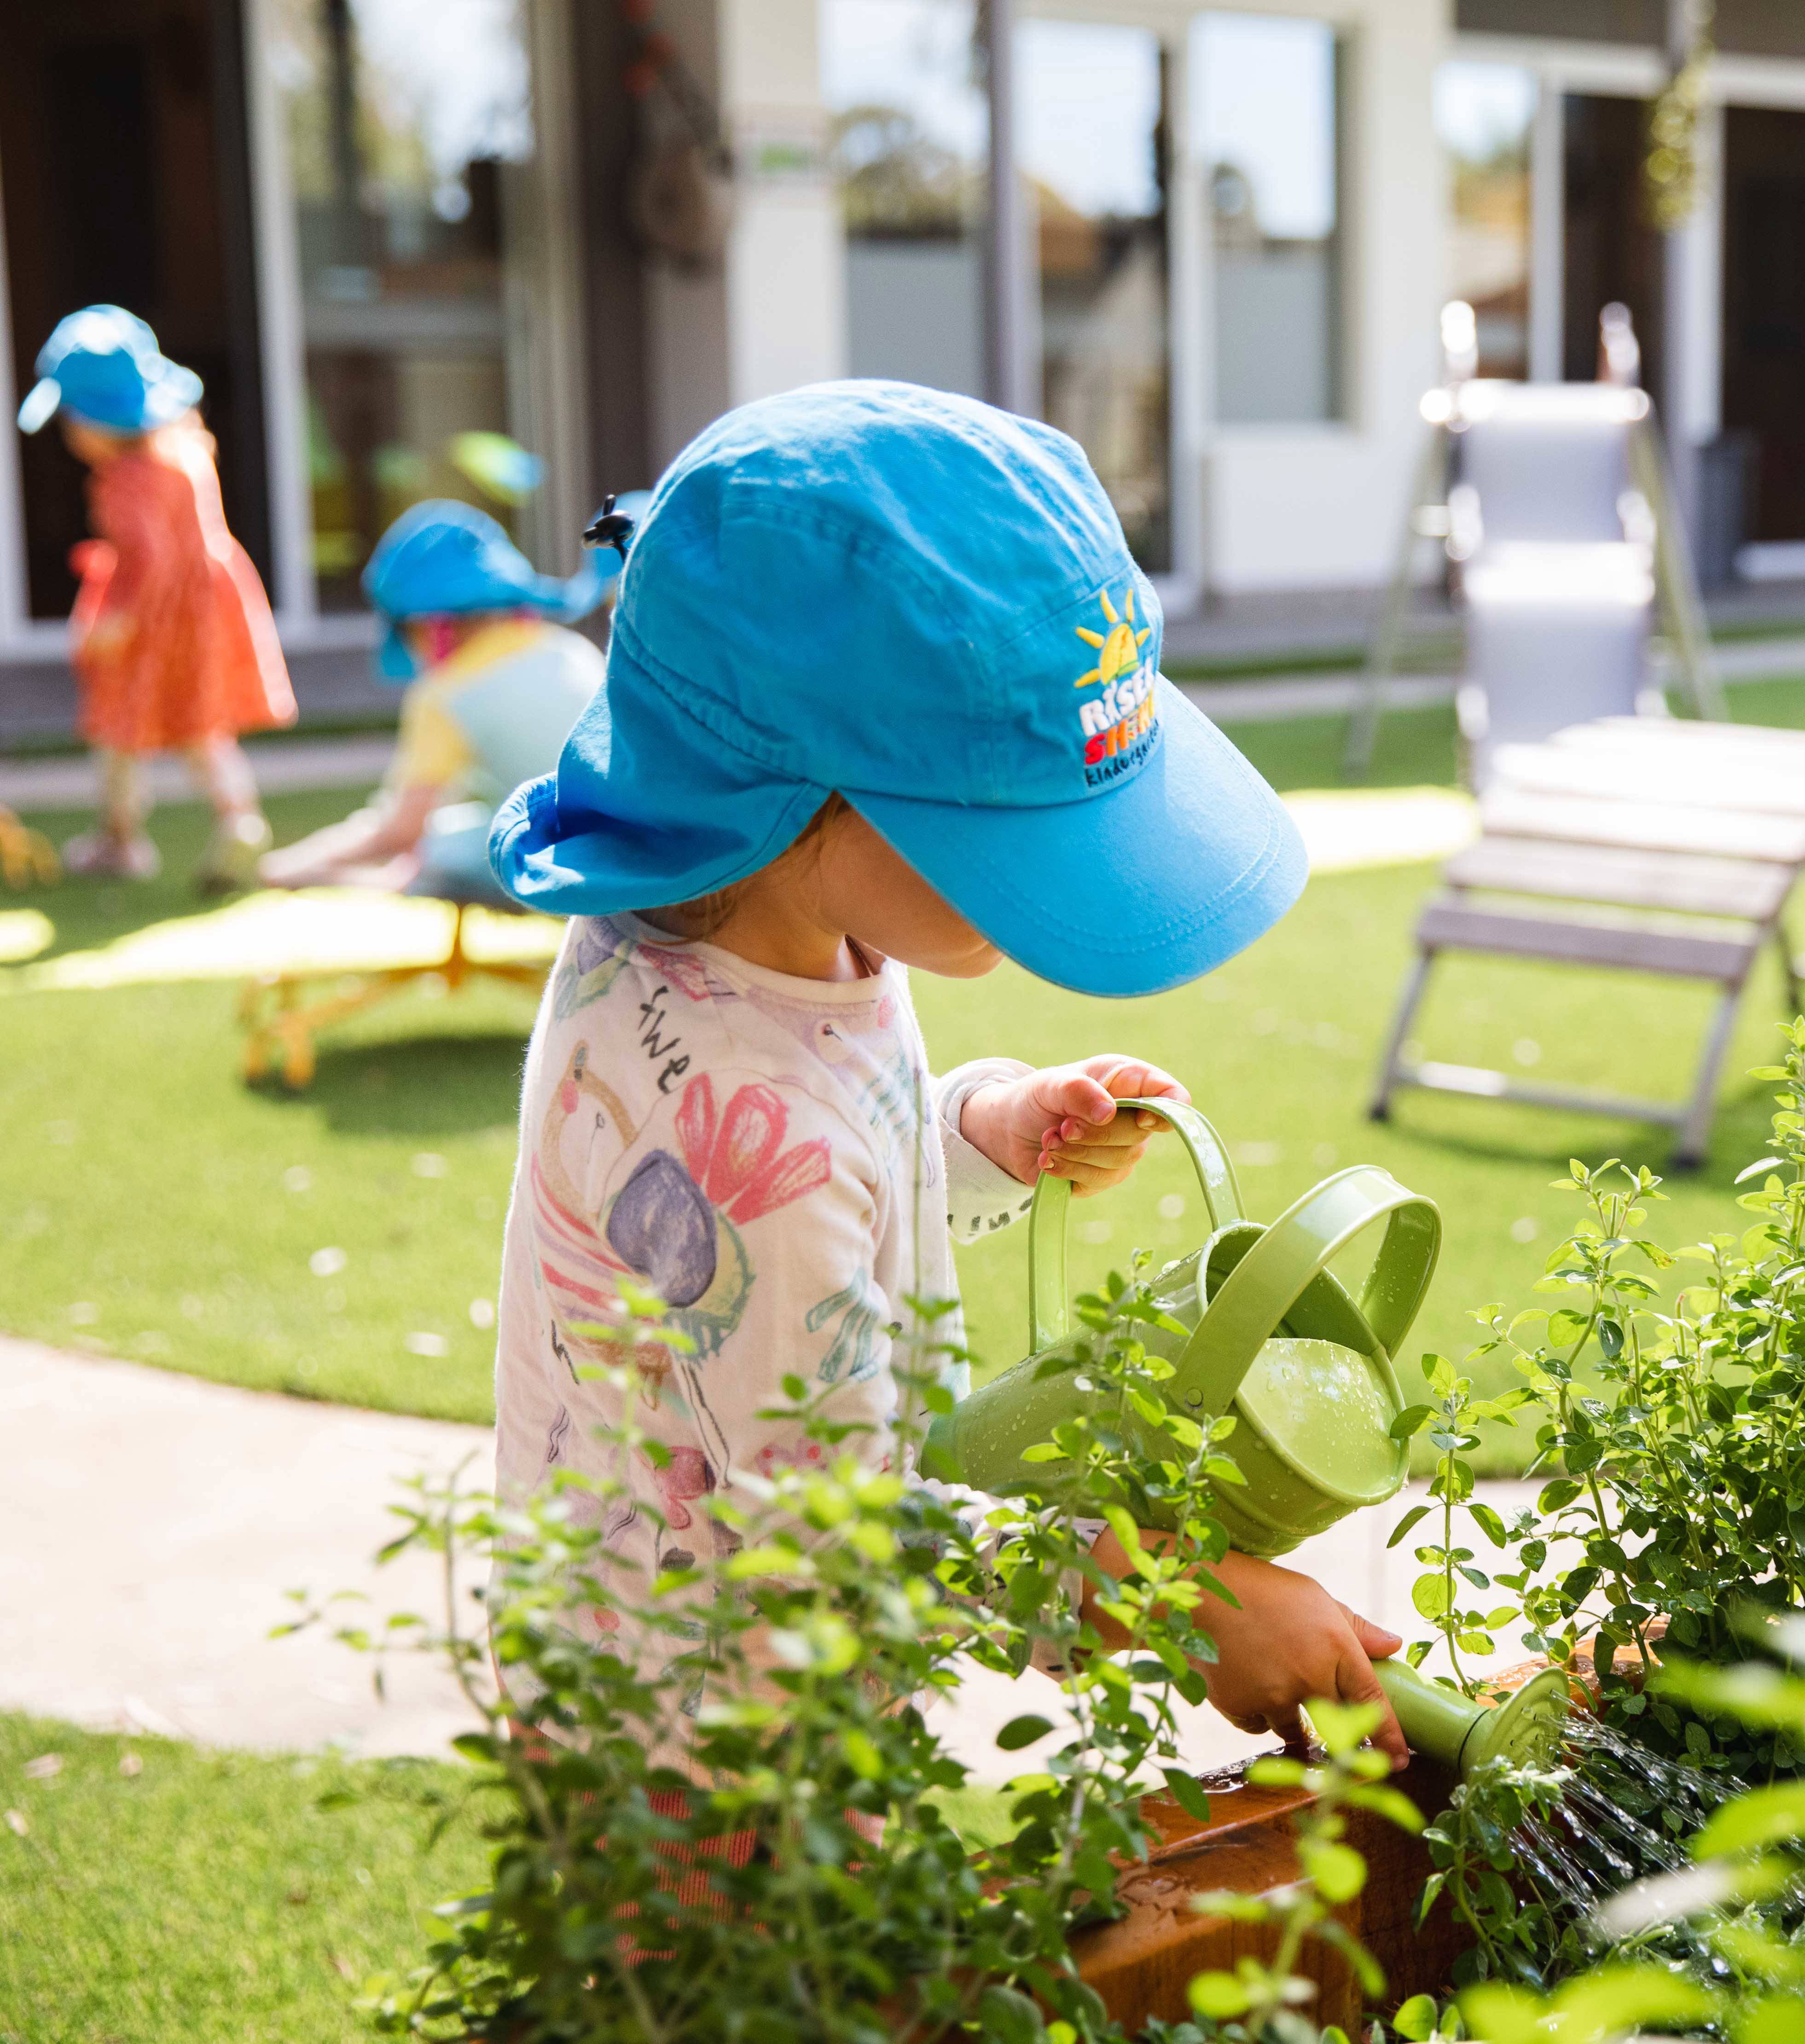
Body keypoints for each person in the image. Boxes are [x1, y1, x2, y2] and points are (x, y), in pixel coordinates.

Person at [486, 381, 1402, 1759]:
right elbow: (843, 1531)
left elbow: (814, 1143)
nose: (1038, 886)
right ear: (802, 795)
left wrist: (972, 1128)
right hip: (703, 1758)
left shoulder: (760, 926)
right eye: (1006, 837)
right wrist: (1177, 1603)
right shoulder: (743, 1149)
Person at [17, 306, 292, 888]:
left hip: (152, 619)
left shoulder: (126, 481)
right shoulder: (187, 451)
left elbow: (152, 559)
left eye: (72, 416)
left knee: (118, 728)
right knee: (203, 726)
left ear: (98, 421)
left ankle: (121, 841)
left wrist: (118, 618)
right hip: (205, 613)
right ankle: (239, 818)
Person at [260, 499, 611, 898]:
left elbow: (400, 830)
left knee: (433, 850)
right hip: (632, 848)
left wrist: (299, 862)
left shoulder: (446, 694)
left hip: (560, 869)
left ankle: (340, 879)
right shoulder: (571, 648)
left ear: (430, 626)